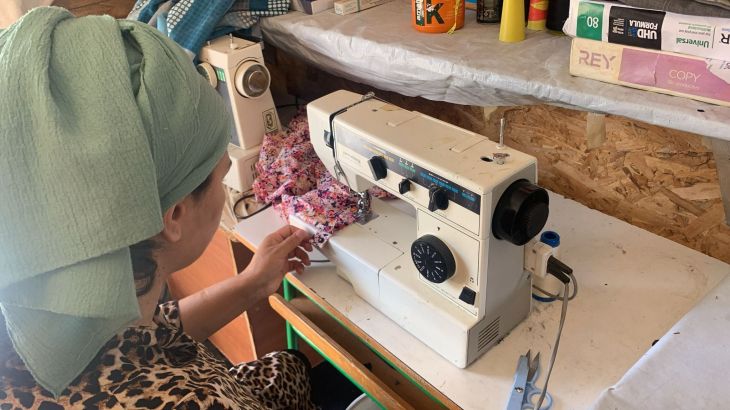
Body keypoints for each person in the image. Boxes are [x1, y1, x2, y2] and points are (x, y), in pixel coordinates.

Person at [0, 6, 316, 408]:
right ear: (175, 214)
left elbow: (143, 341)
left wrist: (254, 281)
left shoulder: (39, 311)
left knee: (291, 365)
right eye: (220, 176)